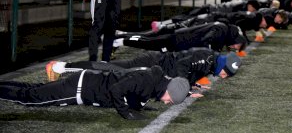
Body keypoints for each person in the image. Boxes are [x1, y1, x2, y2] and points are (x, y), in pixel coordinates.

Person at [0, 66, 190, 120]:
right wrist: (125, 113)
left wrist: (140, 108)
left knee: (32, 90)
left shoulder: (154, 80)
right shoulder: (148, 82)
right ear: (168, 89)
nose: (166, 102)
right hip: (79, 89)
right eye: (169, 99)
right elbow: (117, 90)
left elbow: (133, 92)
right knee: (30, 99)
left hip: (84, 82)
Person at [45, 48, 242, 89]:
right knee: (109, 69)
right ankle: (61, 66)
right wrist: (185, 88)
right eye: (227, 72)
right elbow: (182, 66)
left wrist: (193, 86)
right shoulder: (207, 58)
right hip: (152, 63)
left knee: (109, 71)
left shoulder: (210, 62)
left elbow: (188, 71)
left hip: (155, 66)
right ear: (223, 64)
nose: (225, 76)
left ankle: (63, 68)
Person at [113, 21, 247, 53]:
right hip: (179, 41)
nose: (235, 48)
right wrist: (211, 51)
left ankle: (120, 37)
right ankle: (120, 40)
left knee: (148, 39)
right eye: (237, 45)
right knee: (148, 42)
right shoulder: (221, 30)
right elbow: (207, 39)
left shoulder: (223, 29)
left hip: (181, 37)